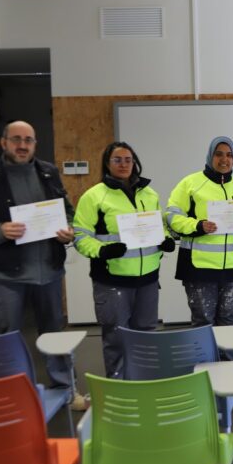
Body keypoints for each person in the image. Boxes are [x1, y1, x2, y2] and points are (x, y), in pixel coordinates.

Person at [0, 120, 80, 403]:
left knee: (55, 334)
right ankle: (7, 394)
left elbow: (68, 212)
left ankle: (65, 388)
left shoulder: (48, 173)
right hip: (5, 276)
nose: (23, 145)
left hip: (48, 271)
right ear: (4, 142)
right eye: (16, 139)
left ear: (35, 144)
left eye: (29, 140)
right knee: (4, 336)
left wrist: (69, 232)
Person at [72, 141, 175, 378]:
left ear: (135, 162)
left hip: (148, 280)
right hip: (112, 281)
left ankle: (145, 380)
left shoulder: (149, 194)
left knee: (147, 333)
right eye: (117, 160)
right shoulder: (94, 196)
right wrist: (102, 250)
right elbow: (80, 235)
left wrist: (165, 239)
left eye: (128, 159)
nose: (124, 164)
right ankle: (120, 387)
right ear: (107, 164)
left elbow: (159, 225)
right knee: (116, 338)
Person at [165, 136, 233, 327]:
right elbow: (172, 217)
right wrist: (198, 226)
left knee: (230, 319)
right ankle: (205, 359)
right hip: (198, 267)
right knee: (203, 321)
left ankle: (231, 358)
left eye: (229, 155)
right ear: (210, 156)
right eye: (219, 154)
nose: (224, 159)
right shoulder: (190, 184)